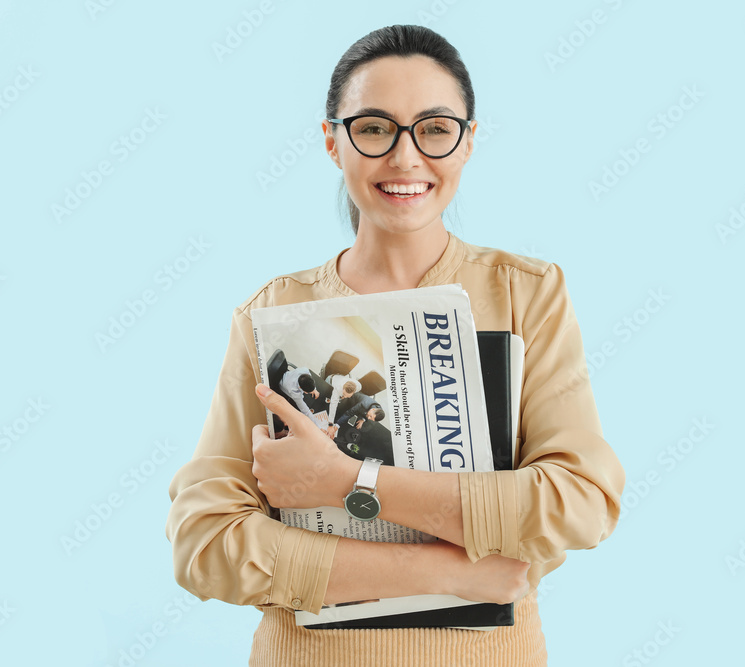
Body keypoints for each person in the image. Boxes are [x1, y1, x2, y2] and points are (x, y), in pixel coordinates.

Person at [165, 24, 626, 666]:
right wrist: (454, 573)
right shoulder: (271, 314)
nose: (406, 158)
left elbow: (577, 503)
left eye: (435, 129)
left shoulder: (528, 295)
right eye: (375, 128)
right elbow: (205, 545)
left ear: (467, 142)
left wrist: (346, 480)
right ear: (333, 142)